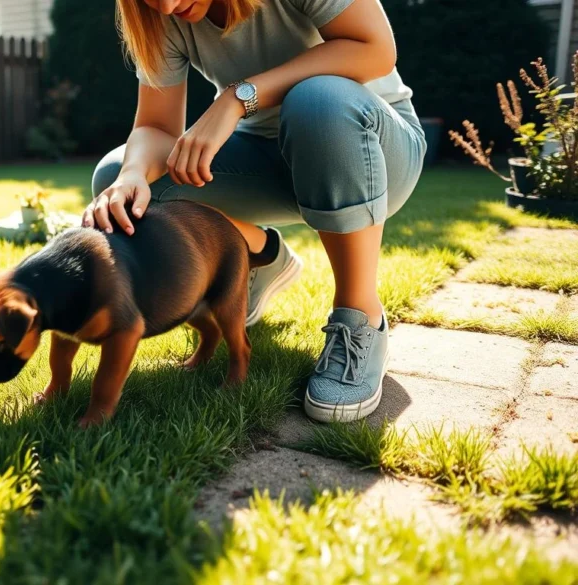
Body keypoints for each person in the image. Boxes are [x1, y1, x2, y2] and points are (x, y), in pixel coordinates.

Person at [84, 0, 426, 422]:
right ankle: (258, 255)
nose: (167, 6)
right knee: (118, 178)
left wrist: (238, 97)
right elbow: (155, 126)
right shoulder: (160, 14)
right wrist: (132, 174)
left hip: (371, 149)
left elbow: (374, 48)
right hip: (266, 156)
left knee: (318, 99)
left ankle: (361, 318)